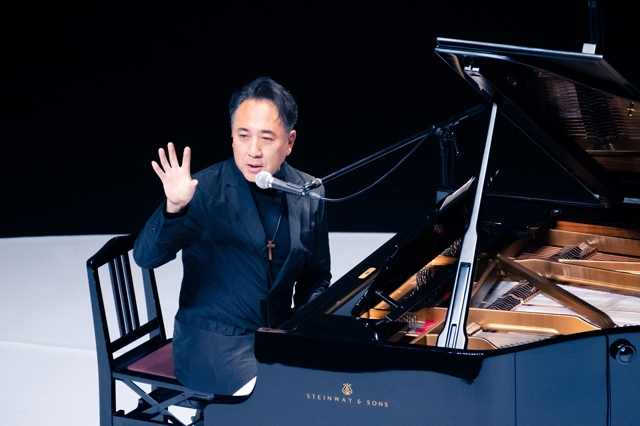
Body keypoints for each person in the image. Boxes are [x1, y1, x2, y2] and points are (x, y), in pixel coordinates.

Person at [133, 77, 331, 396]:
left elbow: (316, 276)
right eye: (243, 136)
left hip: (276, 342)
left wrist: (303, 328)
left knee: (334, 386)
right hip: (212, 346)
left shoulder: (309, 192)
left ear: (290, 141)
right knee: (279, 396)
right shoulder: (203, 191)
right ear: (232, 138)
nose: (253, 151)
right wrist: (174, 207)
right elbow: (146, 257)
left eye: (266, 138)